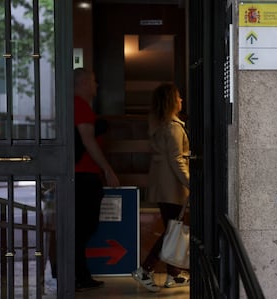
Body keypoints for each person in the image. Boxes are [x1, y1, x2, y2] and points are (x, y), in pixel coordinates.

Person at [132, 82, 190, 292]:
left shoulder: (159, 127)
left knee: (171, 228)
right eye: (179, 97)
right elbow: (177, 160)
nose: (182, 100)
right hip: (173, 188)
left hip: (162, 187)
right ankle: (145, 269)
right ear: (172, 101)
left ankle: (174, 274)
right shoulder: (174, 128)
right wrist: (190, 183)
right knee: (172, 231)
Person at [74, 68, 120, 291]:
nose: (97, 86)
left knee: (81, 227)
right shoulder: (80, 106)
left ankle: (80, 275)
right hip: (84, 176)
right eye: (93, 81)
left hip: (82, 175)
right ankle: (78, 275)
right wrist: (107, 169)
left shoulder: (78, 106)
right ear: (83, 83)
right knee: (84, 227)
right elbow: (88, 141)